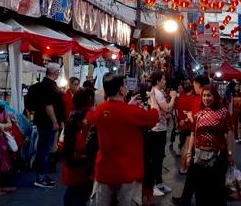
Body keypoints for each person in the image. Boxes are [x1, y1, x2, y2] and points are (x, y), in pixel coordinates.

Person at [88, 74, 159, 206]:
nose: (127, 87)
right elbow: (154, 116)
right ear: (121, 89)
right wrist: (153, 99)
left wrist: (127, 104)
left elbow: (115, 114)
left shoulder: (99, 110)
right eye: (125, 85)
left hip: (104, 170)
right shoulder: (131, 111)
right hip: (127, 172)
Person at [184, 85, 233, 206]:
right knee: (201, 191)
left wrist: (230, 153)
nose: (206, 98)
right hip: (200, 158)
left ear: (215, 96)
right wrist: (189, 153)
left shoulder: (223, 112)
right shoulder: (199, 114)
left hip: (218, 158)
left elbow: (229, 134)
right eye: (204, 96)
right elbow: (193, 134)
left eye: (209, 95)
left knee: (218, 191)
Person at [172, 75, 210, 206]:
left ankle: (186, 200)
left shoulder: (203, 99)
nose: (193, 87)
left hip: (203, 144)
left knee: (196, 174)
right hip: (197, 141)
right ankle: (185, 200)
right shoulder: (197, 99)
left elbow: (202, 122)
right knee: (193, 174)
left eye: (194, 85)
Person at [28, 63, 64, 188]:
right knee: (44, 149)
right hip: (47, 122)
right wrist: (54, 121)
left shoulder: (45, 85)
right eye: (58, 72)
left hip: (43, 121)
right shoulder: (48, 87)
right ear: (54, 72)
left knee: (45, 149)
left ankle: (42, 174)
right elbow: (48, 105)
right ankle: (40, 176)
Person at [145, 71, 178, 198]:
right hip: (156, 130)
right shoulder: (157, 93)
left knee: (159, 158)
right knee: (156, 159)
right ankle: (152, 185)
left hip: (160, 128)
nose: (165, 81)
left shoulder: (158, 92)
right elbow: (167, 108)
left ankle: (158, 183)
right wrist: (173, 97)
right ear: (158, 81)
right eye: (163, 79)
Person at [62, 89, 96, 206]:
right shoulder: (87, 118)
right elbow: (83, 143)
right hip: (82, 162)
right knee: (79, 195)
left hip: (72, 161)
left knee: (72, 193)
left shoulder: (72, 115)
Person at [174, 81, 196, 173]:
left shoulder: (180, 99)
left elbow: (176, 113)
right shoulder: (193, 99)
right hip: (189, 126)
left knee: (184, 146)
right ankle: (183, 168)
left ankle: (184, 167)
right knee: (187, 148)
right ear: (191, 90)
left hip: (182, 126)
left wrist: (177, 124)